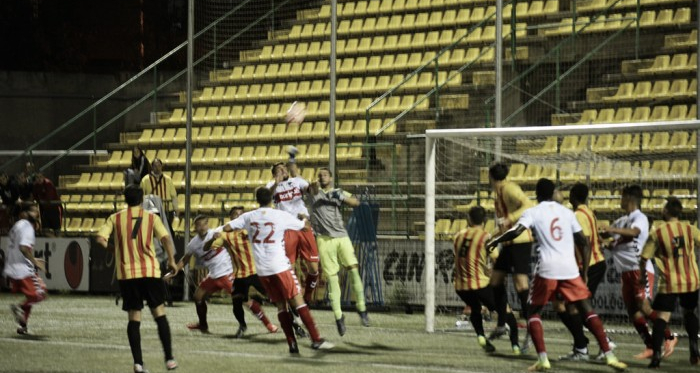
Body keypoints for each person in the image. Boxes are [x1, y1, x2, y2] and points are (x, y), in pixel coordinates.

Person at [486, 178, 626, 372]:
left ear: (537, 194)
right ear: (553, 193)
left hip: (548, 268)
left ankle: (543, 359)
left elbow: (516, 231)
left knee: (534, 311)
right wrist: (584, 272)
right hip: (570, 268)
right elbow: (583, 243)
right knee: (587, 309)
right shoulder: (568, 213)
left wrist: (496, 240)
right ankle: (609, 355)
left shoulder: (533, 212)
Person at [215, 187, 334, 353]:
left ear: (257, 200)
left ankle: (292, 344)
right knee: (298, 302)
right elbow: (303, 227)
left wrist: (215, 232)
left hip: (262, 271)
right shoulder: (280, 215)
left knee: (281, 306)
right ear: (271, 199)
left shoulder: (248, 216)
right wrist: (305, 221)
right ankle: (316, 339)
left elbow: (227, 227)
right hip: (280, 266)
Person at [95, 185, 178, 373]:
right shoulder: (151, 217)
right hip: (149, 271)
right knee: (159, 314)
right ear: (141, 200)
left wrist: (114, 249)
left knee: (134, 317)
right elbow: (166, 239)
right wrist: (172, 260)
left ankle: (138, 363)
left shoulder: (115, 218)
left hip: (127, 274)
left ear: (125, 199)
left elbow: (100, 239)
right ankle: (169, 359)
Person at [600, 185, 677, 359]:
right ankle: (650, 346)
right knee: (633, 311)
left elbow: (635, 232)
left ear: (629, 198)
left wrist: (611, 230)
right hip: (625, 272)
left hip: (639, 270)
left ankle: (670, 336)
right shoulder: (621, 220)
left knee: (644, 306)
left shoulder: (639, 217)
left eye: (622, 197)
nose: (620, 201)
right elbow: (608, 237)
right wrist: (602, 235)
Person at [307, 167, 369, 336]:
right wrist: (315, 183)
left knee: (354, 271)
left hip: (342, 236)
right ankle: (339, 317)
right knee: (333, 280)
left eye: (325, 175)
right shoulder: (313, 192)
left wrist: (340, 197)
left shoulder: (338, 191)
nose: (322, 177)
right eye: (320, 175)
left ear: (332, 178)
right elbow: (312, 186)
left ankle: (362, 308)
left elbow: (356, 202)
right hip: (324, 239)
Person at [556, 183, 613, 361]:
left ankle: (599, 344)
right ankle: (583, 346)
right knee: (575, 306)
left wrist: (585, 272)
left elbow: (585, 243)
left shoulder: (579, 215)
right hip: (594, 263)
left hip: (591, 265)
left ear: (573, 196)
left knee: (576, 306)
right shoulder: (589, 212)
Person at [641, 197, 700, 368]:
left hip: (669, 282)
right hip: (691, 281)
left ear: (666, 211)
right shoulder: (690, 229)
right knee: (689, 313)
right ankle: (694, 350)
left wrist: (641, 275)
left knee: (662, 318)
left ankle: (657, 356)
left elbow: (644, 258)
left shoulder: (658, 232)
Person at [453, 206, 520, 354]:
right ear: (484, 220)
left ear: (468, 219)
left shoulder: (457, 236)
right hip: (480, 283)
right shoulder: (485, 237)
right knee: (506, 310)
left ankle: (481, 336)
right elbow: (496, 260)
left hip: (460, 286)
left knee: (475, 308)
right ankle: (515, 347)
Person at [486, 162, 534, 347]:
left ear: (491, 177)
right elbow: (503, 225)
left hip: (520, 242)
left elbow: (529, 205)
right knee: (496, 281)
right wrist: (490, 237)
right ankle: (501, 324)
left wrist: (512, 218)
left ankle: (532, 328)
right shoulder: (499, 193)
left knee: (521, 285)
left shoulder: (509, 189)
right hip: (508, 243)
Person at [212, 206, 278, 338]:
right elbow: (211, 246)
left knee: (275, 299)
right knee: (236, 303)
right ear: (230, 218)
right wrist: (212, 238)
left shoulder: (250, 230)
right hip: (240, 275)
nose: (238, 216)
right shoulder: (226, 235)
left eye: (241, 214)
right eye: (235, 214)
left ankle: (295, 325)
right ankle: (242, 326)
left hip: (256, 271)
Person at [266, 147, 320, 303]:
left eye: (284, 168)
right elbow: (267, 196)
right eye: (279, 169)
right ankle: (284, 294)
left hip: (303, 224)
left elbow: (312, 192)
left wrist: (314, 186)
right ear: (275, 174)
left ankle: (308, 295)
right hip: (287, 228)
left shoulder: (296, 181)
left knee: (314, 268)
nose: (283, 170)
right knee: (287, 265)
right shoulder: (271, 185)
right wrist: (276, 180)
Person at [3, 203, 47, 335]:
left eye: (37, 210)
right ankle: (19, 308)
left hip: (12, 266)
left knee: (31, 296)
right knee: (40, 293)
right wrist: (35, 262)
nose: (36, 213)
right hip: (23, 268)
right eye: (33, 211)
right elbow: (23, 248)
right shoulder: (27, 226)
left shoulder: (17, 225)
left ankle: (23, 325)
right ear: (24, 213)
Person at [140, 158, 178, 233]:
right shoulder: (145, 180)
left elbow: (173, 195)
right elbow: (141, 196)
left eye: (159, 166)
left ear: (161, 166)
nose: (157, 168)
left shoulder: (168, 179)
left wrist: (176, 208)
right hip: (152, 210)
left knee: (166, 232)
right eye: (155, 166)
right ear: (152, 167)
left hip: (167, 210)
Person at [32, 173, 62, 237]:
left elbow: (49, 198)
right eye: (37, 178)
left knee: (57, 230)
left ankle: (59, 242)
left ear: (43, 177)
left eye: (40, 177)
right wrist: (39, 201)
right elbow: (35, 196)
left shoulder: (48, 184)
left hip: (54, 209)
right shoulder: (36, 185)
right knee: (45, 230)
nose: (39, 179)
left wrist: (41, 200)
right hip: (44, 210)